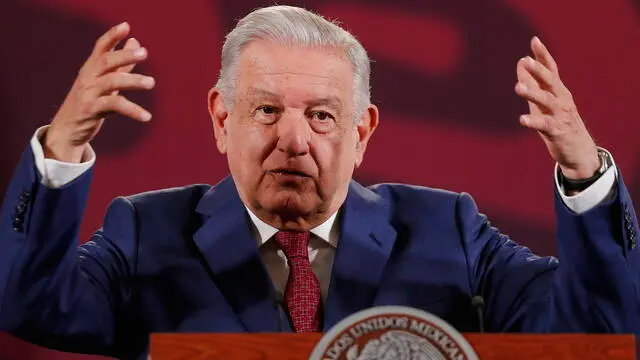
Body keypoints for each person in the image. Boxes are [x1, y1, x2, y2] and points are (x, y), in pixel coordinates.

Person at [1, 5, 639, 359]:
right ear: (222, 120)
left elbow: (595, 328)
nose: (294, 140)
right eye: (267, 111)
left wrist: (585, 174)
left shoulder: (449, 231)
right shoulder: (146, 233)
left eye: (323, 117)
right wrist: (61, 148)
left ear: (362, 133)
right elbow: (26, 306)